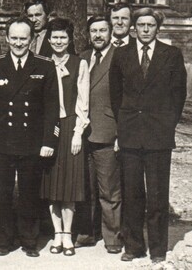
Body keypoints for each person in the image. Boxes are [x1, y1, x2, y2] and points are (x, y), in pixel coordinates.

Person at [109, 7, 187, 263]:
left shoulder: (171, 55)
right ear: (134, 27)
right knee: (132, 194)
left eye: (150, 25)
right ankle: (133, 247)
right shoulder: (121, 55)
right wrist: (123, 126)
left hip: (158, 137)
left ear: (157, 28)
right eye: (140, 25)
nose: (144, 29)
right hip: (130, 134)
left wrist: (166, 125)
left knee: (156, 196)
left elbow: (178, 95)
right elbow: (115, 95)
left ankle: (157, 249)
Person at [0, 17, 59, 258]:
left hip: (31, 142)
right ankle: (4, 240)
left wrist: (48, 141)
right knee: (2, 194)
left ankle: (29, 241)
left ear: (32, 39)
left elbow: (51, 108)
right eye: (14, 38)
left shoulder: (44, 66)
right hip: (2, 142)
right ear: (6, 39)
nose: (18, 43)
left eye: (23, 38)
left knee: (29, 194)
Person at [39, 18, 89, 256]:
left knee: (69, 184)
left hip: (70, 125)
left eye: (63, 37)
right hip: (47, 128)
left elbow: (83, 102)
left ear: (69, 40)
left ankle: (67, 234)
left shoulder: (79, 64)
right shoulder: (42, 63)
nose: (58, 41)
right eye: (55, 37)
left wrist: (78, 132)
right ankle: (56, 233)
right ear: (48, 40)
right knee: (51, 184)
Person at [73, 15, 122, 253]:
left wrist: (120, 133)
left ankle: (112, 236)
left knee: (109, 189)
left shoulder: (119, 57)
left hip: (106, 132)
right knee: (85, 187)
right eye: (93, 31)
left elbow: (125, 98)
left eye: (103, 30)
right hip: (82, 133)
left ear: (110, 32)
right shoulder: (82, 57)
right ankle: (86, 232)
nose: (98, 35)